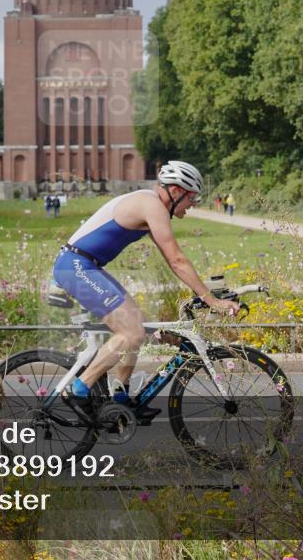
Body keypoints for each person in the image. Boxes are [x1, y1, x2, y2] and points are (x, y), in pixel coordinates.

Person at [52, 161, 240, 416]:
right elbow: (177, 260)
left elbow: (172, 259)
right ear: (175, 191)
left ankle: (120, 398)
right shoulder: (151, 205)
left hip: (85, 265)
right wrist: (210, 300)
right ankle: (79, 389)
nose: (193, 204)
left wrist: (202, 294)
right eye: (191, 197)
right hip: (76, 266)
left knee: (136, 324)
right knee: (131, 332)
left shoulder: (151, 205)